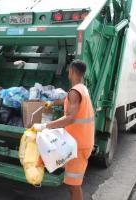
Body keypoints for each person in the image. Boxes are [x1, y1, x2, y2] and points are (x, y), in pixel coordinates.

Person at [32, 60, 95, 200]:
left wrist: (44, 126)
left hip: (78, 145)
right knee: (73, 184)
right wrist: (52, 103)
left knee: (74, 186)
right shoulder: (81, 88)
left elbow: (69, 118)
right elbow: (68, 100)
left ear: (71, 71)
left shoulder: (74, 91)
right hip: (81, 141)